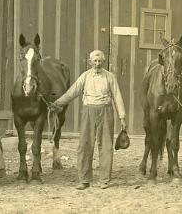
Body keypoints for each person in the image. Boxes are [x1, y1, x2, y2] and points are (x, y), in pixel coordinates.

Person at [51, 50, 127, 190]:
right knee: (85, 145)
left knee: (106, 145)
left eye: (100, 61)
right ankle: (84, 180)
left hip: (105, 111)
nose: (97, 64)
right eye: (95, 61)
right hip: (88, 112)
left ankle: (104, 180)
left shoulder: (110, 77)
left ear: (103, 62)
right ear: (90, 62)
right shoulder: (85, 76)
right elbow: (72, 92)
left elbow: (117, 96)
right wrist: (57, 103)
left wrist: (122, 116)